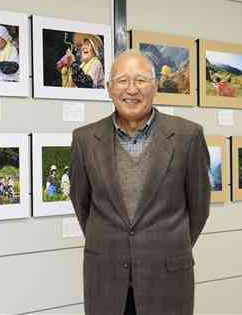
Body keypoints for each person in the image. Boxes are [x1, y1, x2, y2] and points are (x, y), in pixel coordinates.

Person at [69, 50, 210, 315]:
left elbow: (199, 208)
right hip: (106, 276)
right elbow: (82, 203)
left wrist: (163, 245)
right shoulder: (85, 139)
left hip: (167, 278)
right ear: (109, 88)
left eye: (141, 80)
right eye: (122, 80)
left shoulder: (187, 136)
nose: (131, 89)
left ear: (155, 87)